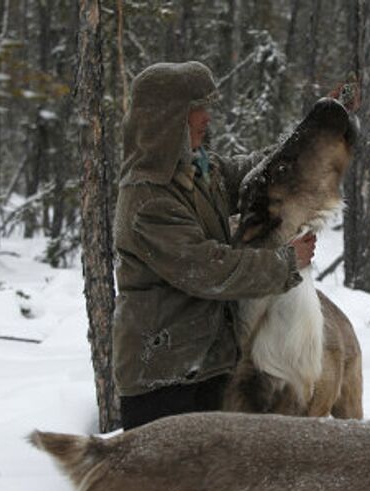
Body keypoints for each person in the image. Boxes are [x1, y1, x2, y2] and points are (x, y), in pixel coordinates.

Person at [112, 61, 316, 430]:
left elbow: (254, 174)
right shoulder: (148, 197)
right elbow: (207, 270)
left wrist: (312, 134)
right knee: (168, 487)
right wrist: (286, 264)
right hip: (163, 382)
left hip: (208, 369)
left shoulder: (200, 170)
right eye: (195, 110)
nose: (207, 118)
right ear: (166, 119)